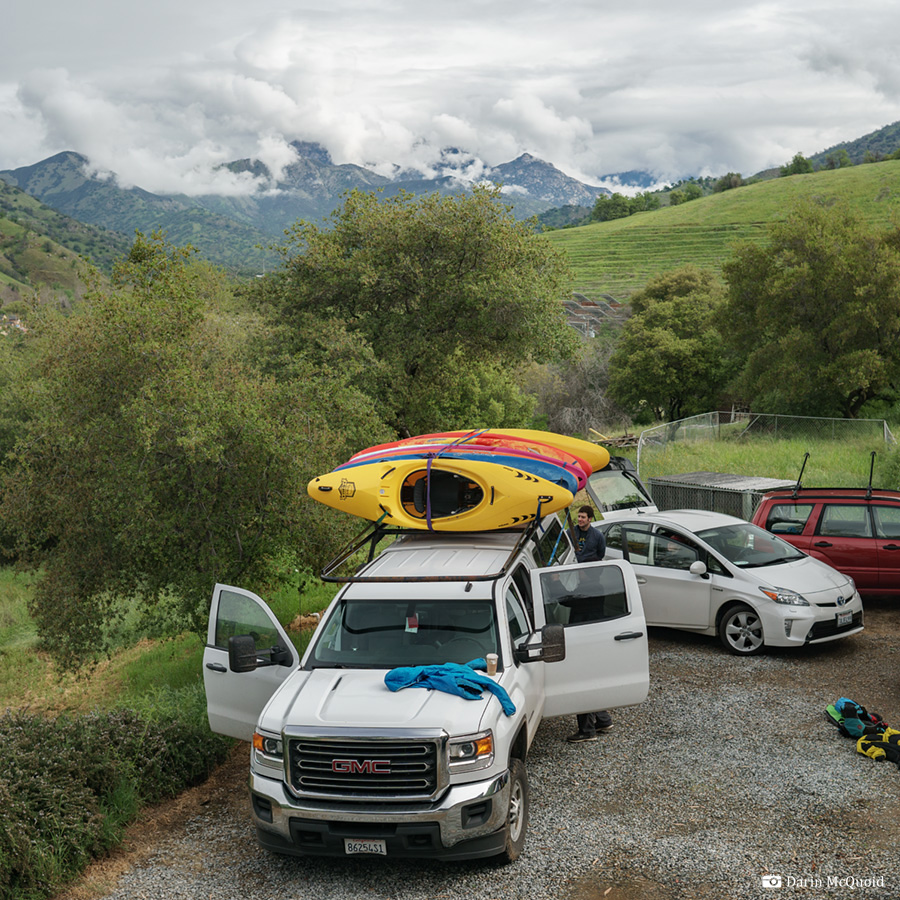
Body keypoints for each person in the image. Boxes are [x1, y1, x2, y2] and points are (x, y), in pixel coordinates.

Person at [566, 504, 613, 744]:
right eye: (579, 516)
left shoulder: (585, 592)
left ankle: (587, 730)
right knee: (591, 678)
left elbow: (566, 601)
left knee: (581, 681)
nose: (580, 519)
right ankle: (603, 719)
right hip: (594, 638)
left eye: (583, 516)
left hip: (582, 641)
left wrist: (555, 584)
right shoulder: (600, 588)